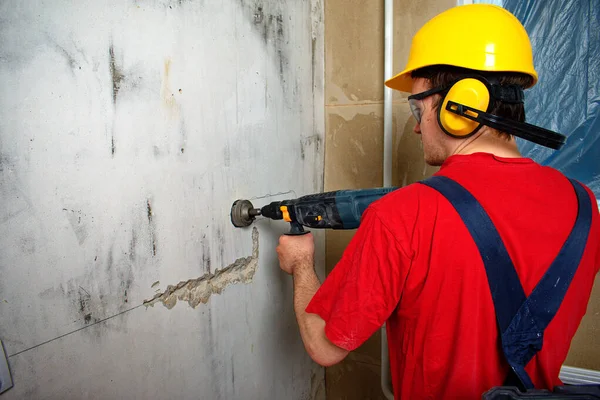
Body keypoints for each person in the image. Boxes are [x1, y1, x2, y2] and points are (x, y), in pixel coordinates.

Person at [276, 4, 600, 399]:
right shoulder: (584, 206)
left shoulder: (402, 215)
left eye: (418, 107)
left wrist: (301, 265)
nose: (415, 125)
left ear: (460, 106)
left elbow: (324, 346)